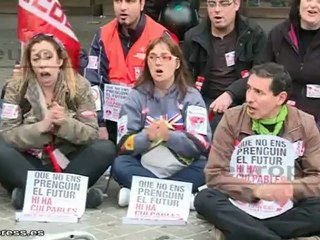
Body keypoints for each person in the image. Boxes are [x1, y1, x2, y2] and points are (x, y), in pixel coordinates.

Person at [195, 62, 320, 240]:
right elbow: (214, 175)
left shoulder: (305, 123)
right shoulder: (232, 118)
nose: (249, 98)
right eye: (249, 89)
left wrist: (291, 188)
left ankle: (241, 230)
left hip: (286, 205)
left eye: (259, 92)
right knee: (205, 198)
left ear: (280, 97)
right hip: (241, 200)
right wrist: (255, 190)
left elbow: (317, 177)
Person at [0, 34, 116, 210]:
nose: (42, 64)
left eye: (48, 57)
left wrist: (64, 123)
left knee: (105, 148)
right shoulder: (15, 87)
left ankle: (29, 196)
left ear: (60, 60)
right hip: (29, 162)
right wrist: (40, 127)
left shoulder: (80, 86)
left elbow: (91, 133)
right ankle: (74, 197)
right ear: (31, 64)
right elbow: (8, 133)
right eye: (36, 59)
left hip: (68, 161)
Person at [111, 36, 212, 207]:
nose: (158, 63)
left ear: (177, 63)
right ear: (147, 63)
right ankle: (179, 196)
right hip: (146, 165)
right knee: (119, 165)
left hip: (181, 166)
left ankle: (139, 193)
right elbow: (122, 145)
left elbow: (202, 144)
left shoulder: (192, 96)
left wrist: (169, 137)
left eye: (165, 57)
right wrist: (146, 138)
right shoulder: (136, 96)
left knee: (208, 167)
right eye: (153, 57)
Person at [212, 0, 320, 129]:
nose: (313, 5)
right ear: (298, 4)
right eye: (308, 0)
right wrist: (230, 94)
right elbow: (260, 72)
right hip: (279, 109)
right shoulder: (279, 34)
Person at [83, 0, 177, 144]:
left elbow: (174, 86)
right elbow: (92, 82)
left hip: (149, 121)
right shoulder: (103, 35)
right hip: (110, 121)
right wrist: (99, 123)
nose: (123, 7)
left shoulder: (161, 36)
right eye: (118, 1)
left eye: (130, 1)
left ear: (142, 4)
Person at [182, 0, 267, 134]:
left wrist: (231, 94)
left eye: (224, 4)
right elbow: (184, 76)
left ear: (236, 5)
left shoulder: (254, 34)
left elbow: (261, 74)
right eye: (212, 4)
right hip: (204, 99)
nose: (217, 10)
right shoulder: (193, 37)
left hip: (243, 99)